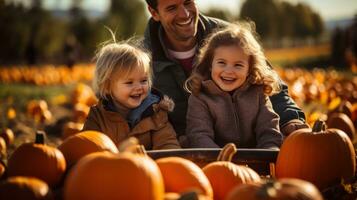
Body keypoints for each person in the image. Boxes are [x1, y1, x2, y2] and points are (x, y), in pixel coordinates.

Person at [143, 0, 308, 146]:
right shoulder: (141, 58)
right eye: (172, 8)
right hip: (190, 153)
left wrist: (290, 118)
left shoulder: (230, 38)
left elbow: (268, 84)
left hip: (251, 148)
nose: (184, 14)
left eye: (188, 2)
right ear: (154, 12)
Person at [185, 22, 283, 148]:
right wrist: (223, 160)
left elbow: (269, 129)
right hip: (215, 160)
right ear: (210, 64)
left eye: (238, 65)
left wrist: (269, 151)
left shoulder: (258, 93)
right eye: (222, 63)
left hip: (255, 159)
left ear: (249, 69)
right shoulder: (200, 97)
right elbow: (199, 135)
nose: (229, 71)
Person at [83, 39, 180, 150]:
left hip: (147, 165)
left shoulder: (156, 113)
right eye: (129, 82)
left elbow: (168, 145)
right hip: (111, 165)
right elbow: (88, 146)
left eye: (143, 81)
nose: (139, 87)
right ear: (107, 87)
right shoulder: (97, 117)